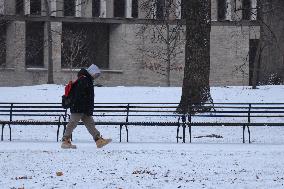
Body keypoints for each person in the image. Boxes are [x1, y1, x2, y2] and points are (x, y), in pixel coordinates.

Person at [61, 64, 112, 149]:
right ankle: (65, 141)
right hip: (78, 107)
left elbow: (85, 95)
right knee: (72, 123)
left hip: (83, 107)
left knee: (90, 124)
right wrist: (83, 105)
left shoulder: (86, 79)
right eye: (96, 74)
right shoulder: (84, 80)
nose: (96, 76)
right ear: (92, 72)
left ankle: (98, 140)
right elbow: (79, 95)